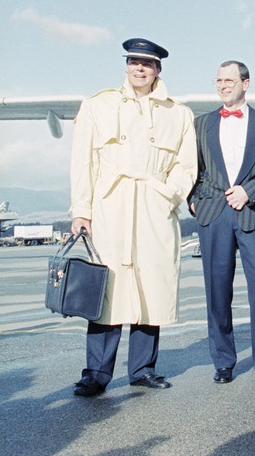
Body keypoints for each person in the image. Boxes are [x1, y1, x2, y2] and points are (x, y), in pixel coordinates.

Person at [69, 38, 196, 397]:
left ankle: (142, 369)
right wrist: (82, 210)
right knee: (108, 292)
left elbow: (186, 167)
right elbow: (83, 163)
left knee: (149, 289)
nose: (140, 68)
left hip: (154, 208)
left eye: (147, 64)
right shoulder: (98, 105)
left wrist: (166, 196)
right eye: (134, 62)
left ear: (158, 70)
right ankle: (96, 373)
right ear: (126, 66)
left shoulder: (179, 114)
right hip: (111, 206)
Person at [190, 60, 255, 385]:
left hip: (252, 212)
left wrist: (249, 191)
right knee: (216, 291)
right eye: (218, 80)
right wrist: (193, 199)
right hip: (213, 215)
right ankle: (223, 360)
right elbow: (190, 167)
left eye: (229, 80)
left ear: (245, 83)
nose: (223, 85)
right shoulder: (201, 124)